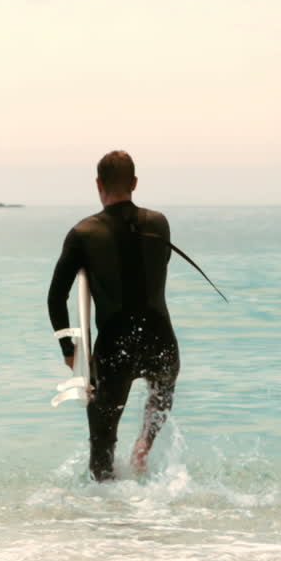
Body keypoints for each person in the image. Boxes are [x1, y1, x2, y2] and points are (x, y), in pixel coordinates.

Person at [47, 150, 179, 481]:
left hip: (115, 347)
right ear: (134, 183)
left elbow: (55, 298)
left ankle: (108, 523)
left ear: (98, 184)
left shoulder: (83, 234)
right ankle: (143, 448)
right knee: (158, 399)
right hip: (161, 342)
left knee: (101, 460)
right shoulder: (159, 223)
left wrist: (69, 351)